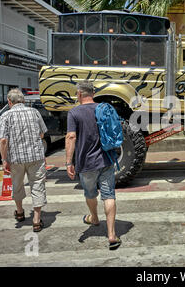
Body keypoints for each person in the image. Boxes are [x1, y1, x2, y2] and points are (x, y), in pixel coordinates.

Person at [65, 80, 121, 250]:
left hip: (87, 163)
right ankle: (111, 235)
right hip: (106, 160)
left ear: (79, 94)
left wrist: (68, 162)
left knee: (90, 193)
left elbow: (71, 137)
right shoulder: (102, 109)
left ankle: (94, 218)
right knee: (109, 195)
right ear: (93, 94)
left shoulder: (74, 113)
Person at [0, 88, 48, 232]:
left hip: (16, 159)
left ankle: (19, 212)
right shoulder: (35, 112)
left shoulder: (6, 116)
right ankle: (36, 220)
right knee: (38, 185)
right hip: (36, 157)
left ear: (9, 101)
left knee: (17, 184)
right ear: (23, 100)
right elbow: (42, 134)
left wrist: (4, 159)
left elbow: (3, 140)